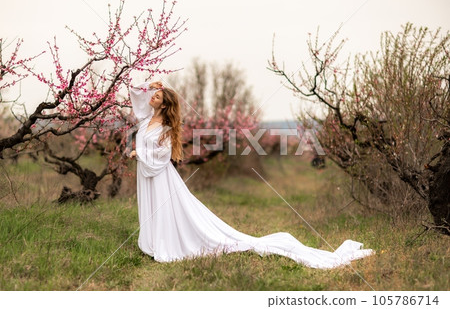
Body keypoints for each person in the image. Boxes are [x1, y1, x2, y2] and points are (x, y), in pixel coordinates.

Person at [127, 81, 375, 269]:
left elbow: (163, 155)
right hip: (147, 173)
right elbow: (136, 95)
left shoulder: (166, 127)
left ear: (164, 104)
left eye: (156, 96)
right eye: (153, 95)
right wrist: (149, 84)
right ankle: (153, 241)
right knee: (154, 208)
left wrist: (139, 154)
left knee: (167, 209)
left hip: (159, 175)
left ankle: (165, 243)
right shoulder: (146, 118)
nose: (151, 97)